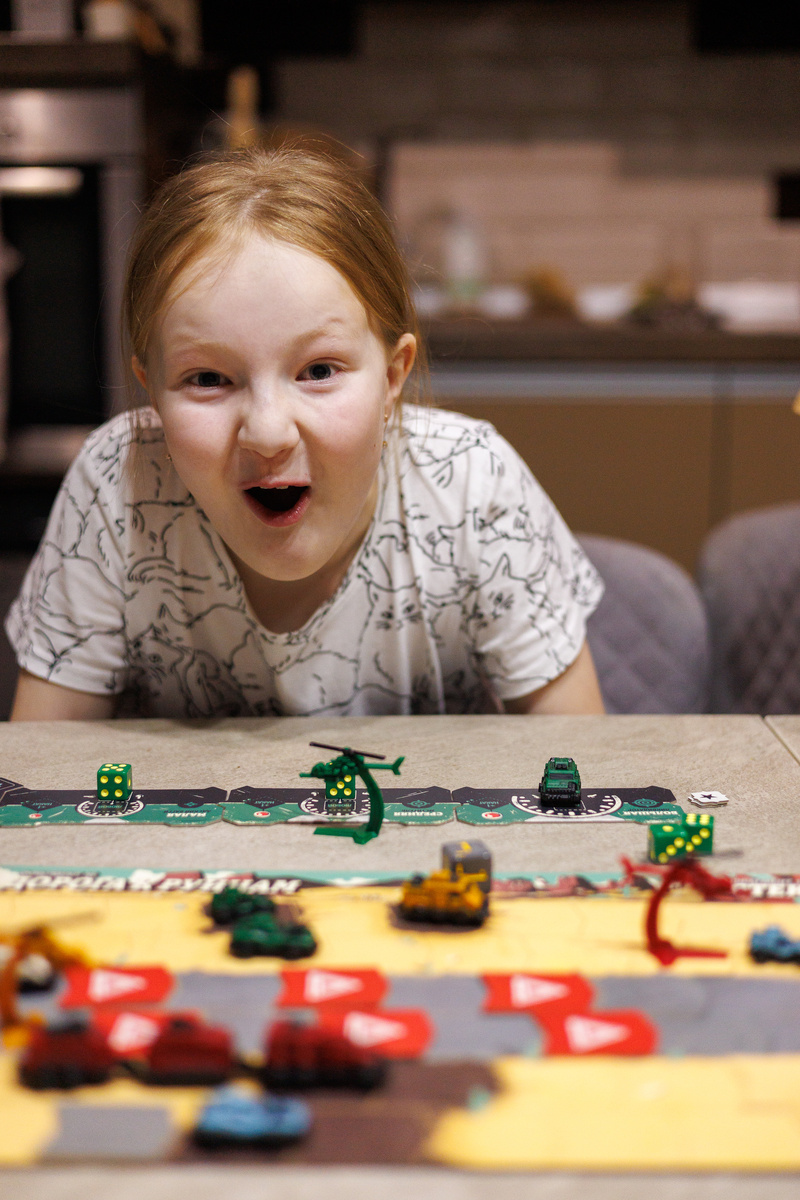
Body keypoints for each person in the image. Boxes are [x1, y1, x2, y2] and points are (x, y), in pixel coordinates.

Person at [6, 146, 604, 721]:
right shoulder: (116, 482)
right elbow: (43, 771)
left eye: (318, 371)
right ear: (152, 393)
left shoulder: (475, 481)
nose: (267, 433)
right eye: (208, 379)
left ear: (392, 376)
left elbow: (574, 765)